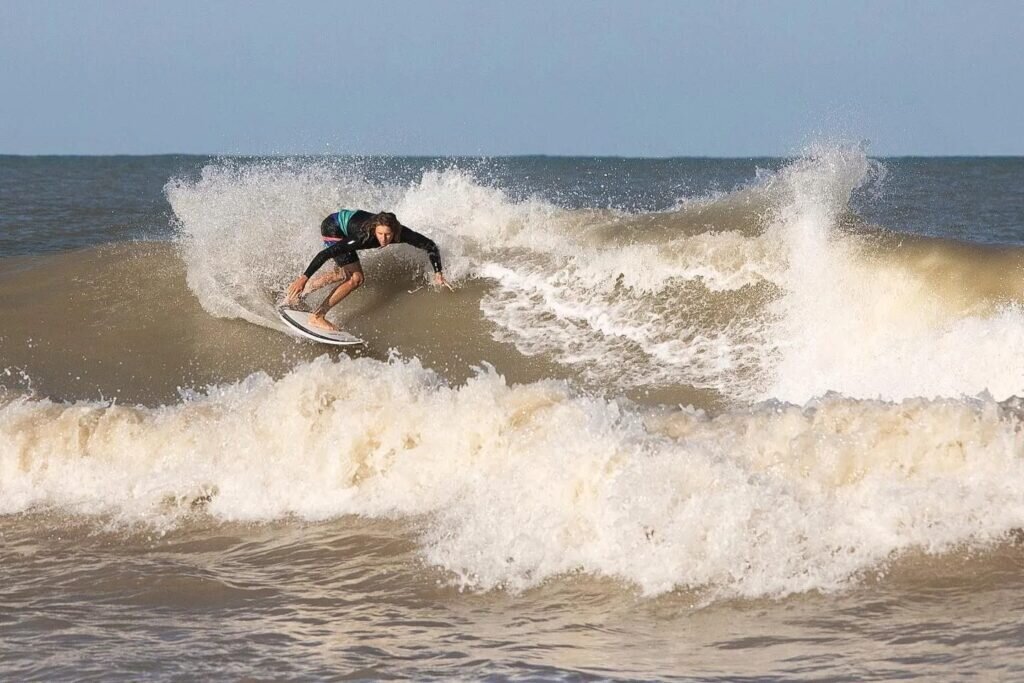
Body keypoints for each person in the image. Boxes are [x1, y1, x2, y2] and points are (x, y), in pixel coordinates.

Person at [284, 210, 448, 331]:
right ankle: (317, 316)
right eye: (380, 234)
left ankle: (297, 294)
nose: (383, 239)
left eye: (388, 235)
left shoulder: (402, 233)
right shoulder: (363, 237)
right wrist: (303, 277)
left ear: (395, 231)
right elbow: (325, 254)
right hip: (334, 227)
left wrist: (438, 272)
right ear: (375, 229)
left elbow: (430, 245)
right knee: (356, 278)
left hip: (346, 225)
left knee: (341, 273)